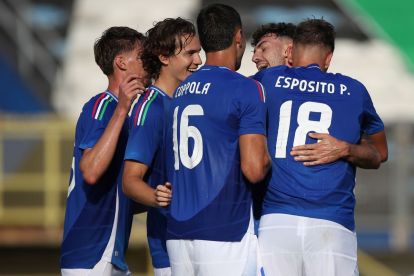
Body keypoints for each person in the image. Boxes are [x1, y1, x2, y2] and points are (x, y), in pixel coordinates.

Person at [257, 19, 388, 276]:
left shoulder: (267, 81)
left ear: (291, 52)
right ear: (328, 57)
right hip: (332, 222)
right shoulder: (353, 91)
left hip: (276, 223)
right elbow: (380, 153)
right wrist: (346, 149)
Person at [164, 4, 270, 275]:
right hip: (223, 230)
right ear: (238, 36)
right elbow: (254, 169)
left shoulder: (181, 90)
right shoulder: (245, 87)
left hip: (178, 233)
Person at [60, 27, 147, 275]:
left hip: (109, 254)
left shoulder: (125, 115)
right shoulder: (102, 105)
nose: (148, 62)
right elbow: (90, 170)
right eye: (141, 56)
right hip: (90, 255)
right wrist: (122, 109)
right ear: (121, 62)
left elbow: (119, 196)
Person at [122, 18, 202, 276]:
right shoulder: (152, 107)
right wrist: (157, 197)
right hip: (170, 249)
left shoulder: (190, 100)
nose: (198, 60)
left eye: (198, 52)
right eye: (190, 53)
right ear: (164, 57)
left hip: (203, 239)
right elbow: (130, 180)